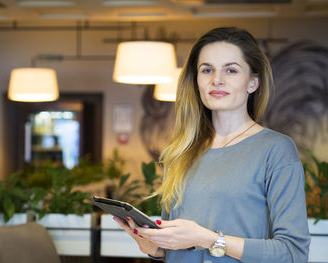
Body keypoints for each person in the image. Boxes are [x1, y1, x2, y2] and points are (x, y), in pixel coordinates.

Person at [114, 27, 311, 263]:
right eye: (207, 70)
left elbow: (292, 253)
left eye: (231, 70)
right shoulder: (180, 151)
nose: (217, 79)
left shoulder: (276, 149)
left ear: (253, 83)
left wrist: (208, 239)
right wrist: (155, 247)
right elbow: (178, 247)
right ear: (196, 80)